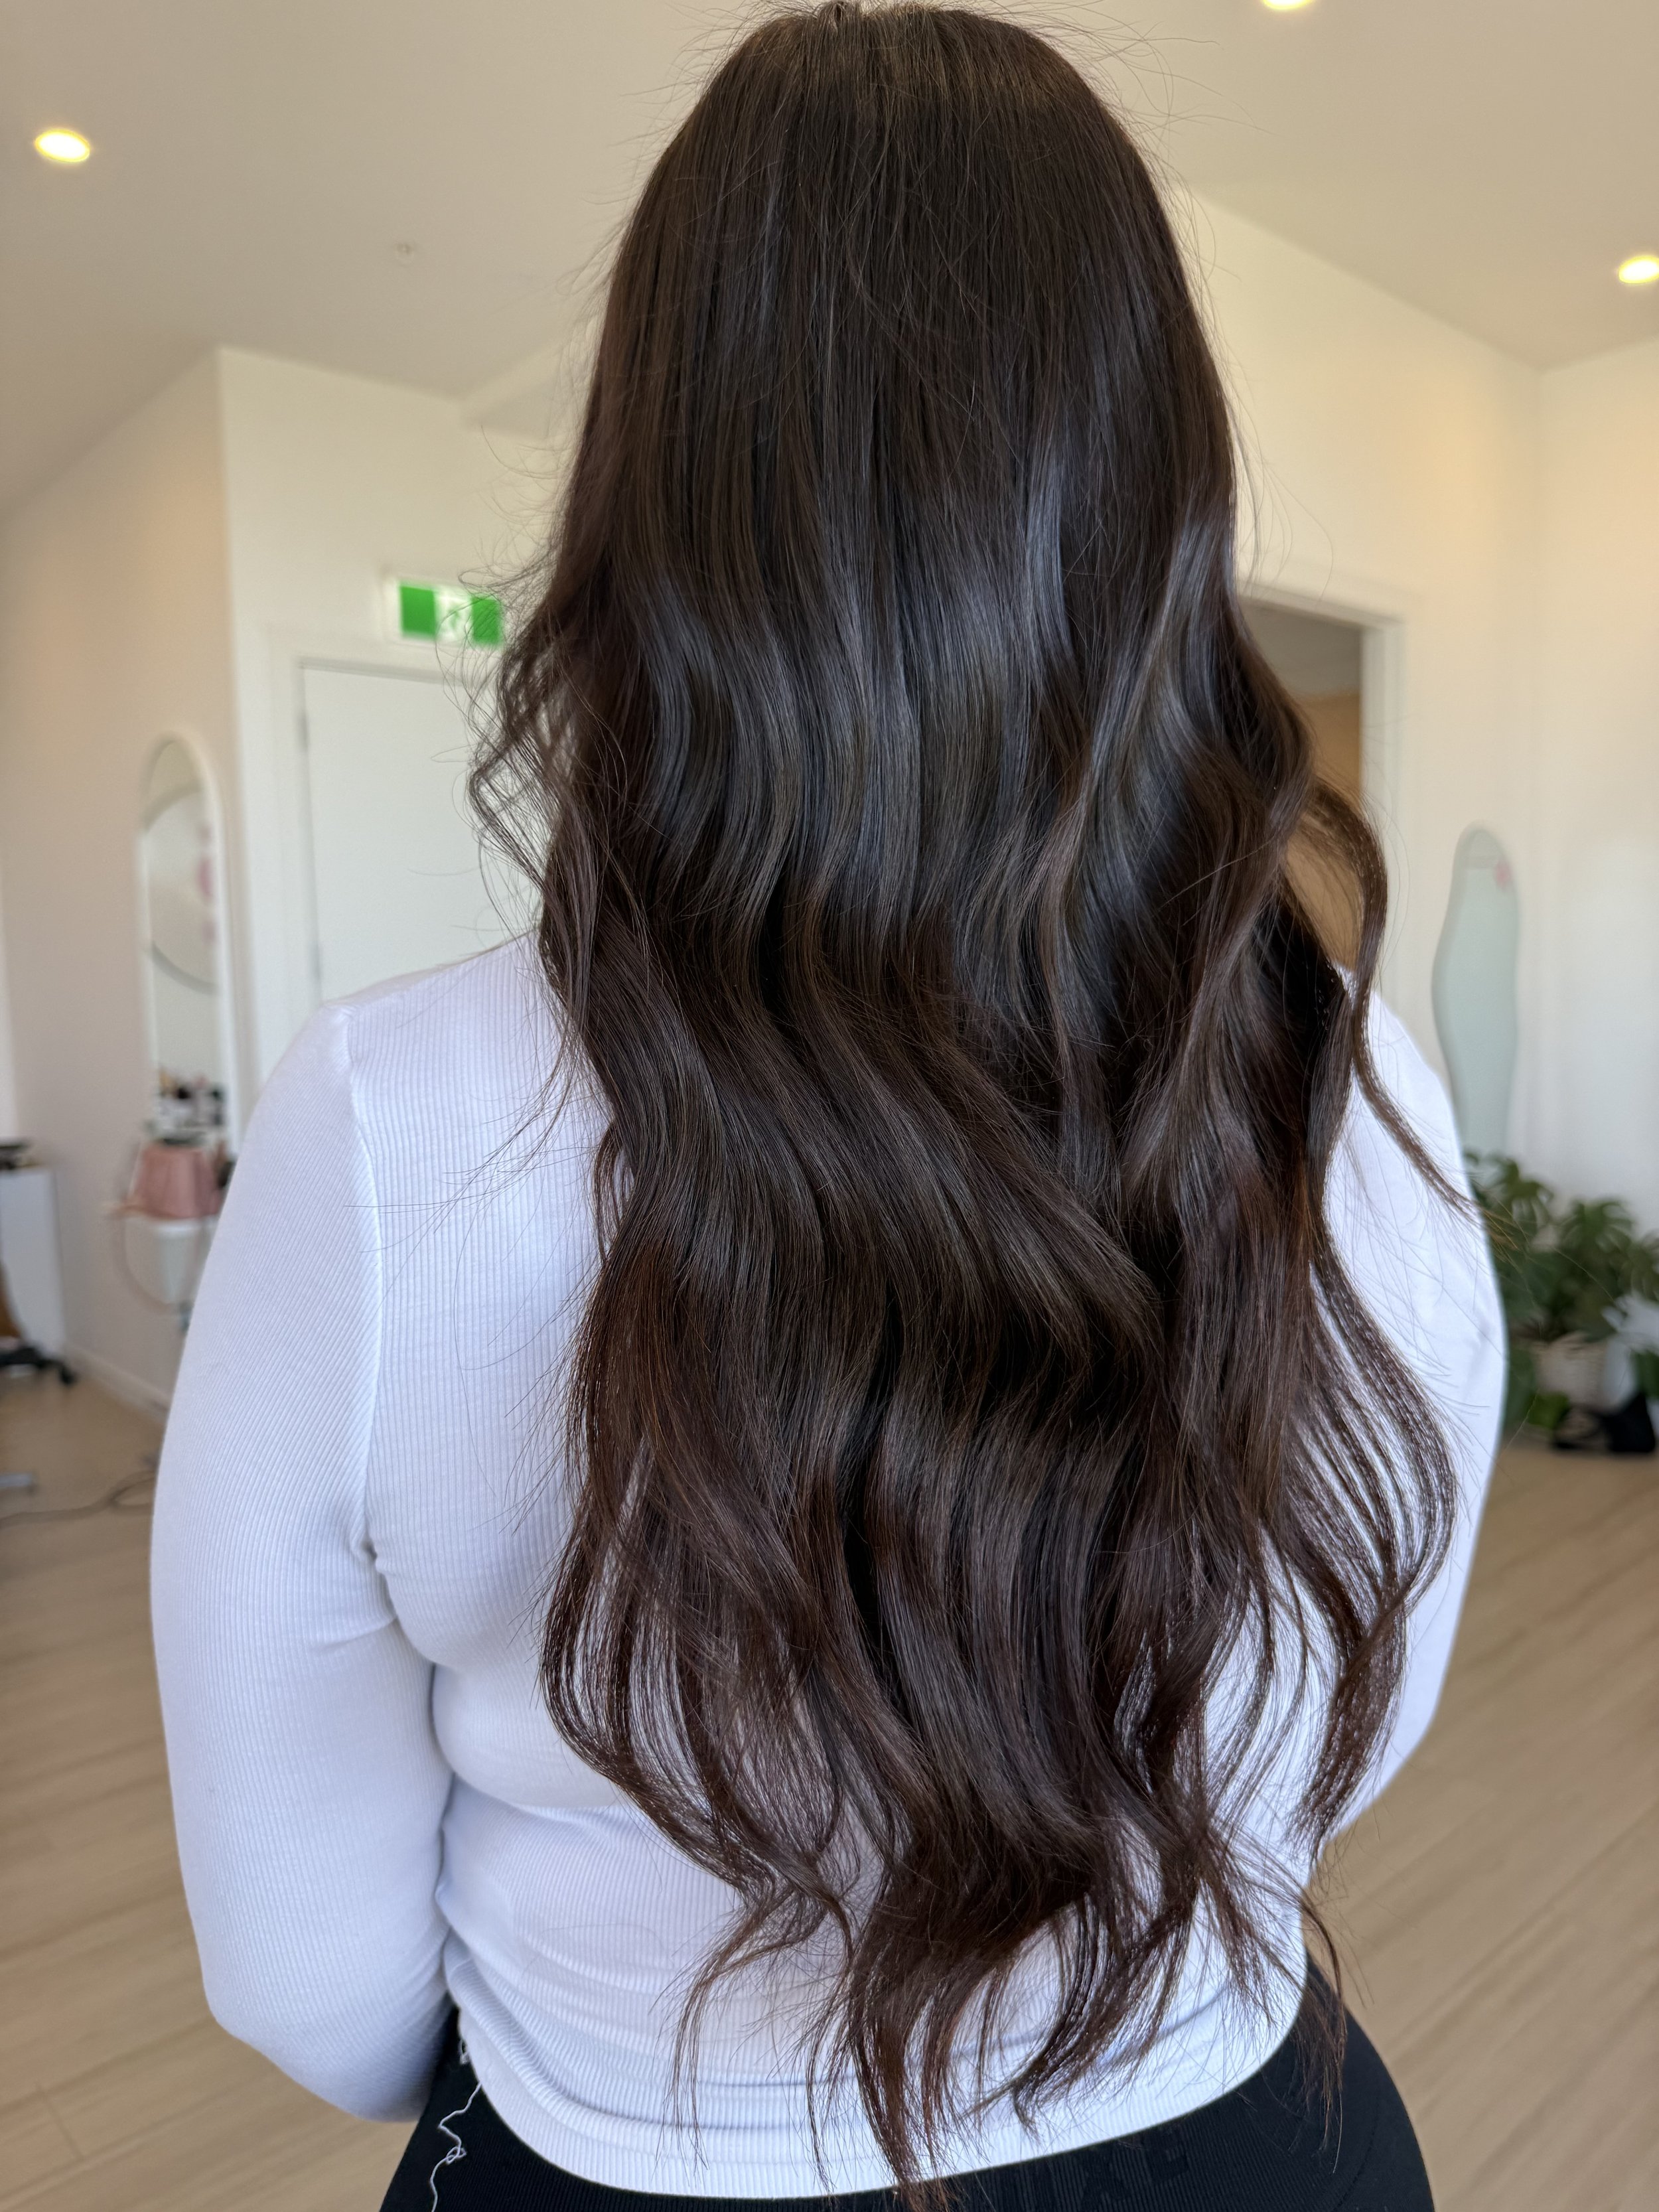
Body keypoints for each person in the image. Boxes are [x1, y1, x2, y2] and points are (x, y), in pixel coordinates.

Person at [150, 8, 1505, 2209]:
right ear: (1148, 491)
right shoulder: (1347, 1075)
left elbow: (301, 1966)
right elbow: (1365, 1688)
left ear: (652, 495)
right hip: (1254, 2137)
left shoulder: (391, 1130)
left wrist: (598, 2062)